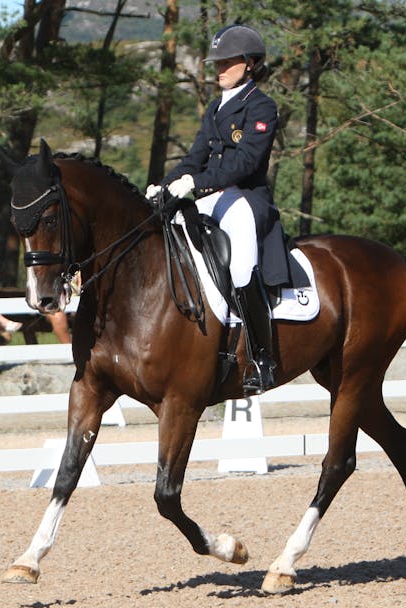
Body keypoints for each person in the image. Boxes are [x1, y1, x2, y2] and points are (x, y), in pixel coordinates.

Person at [146, 24, 289, 393]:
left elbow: (246, 161)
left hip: (244, 199)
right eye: (217, 62)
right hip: (210, 196)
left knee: (241, 266)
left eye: (227, 62)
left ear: (250, 64)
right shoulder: (214, 108)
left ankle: (262, 358)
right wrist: (165, 187)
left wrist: (197, 183)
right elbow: (195, 157)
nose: (219, 68)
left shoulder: (261, 106)